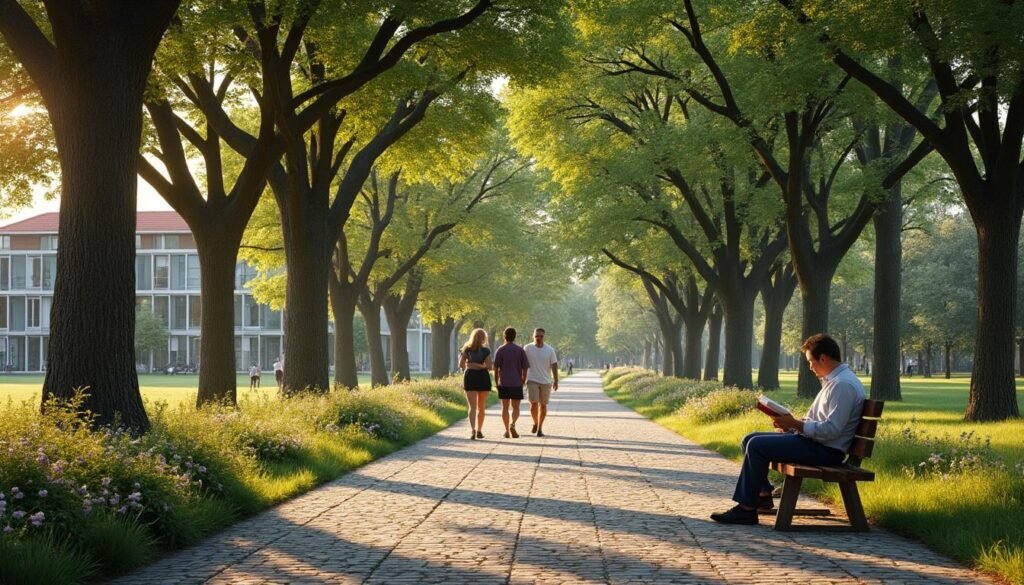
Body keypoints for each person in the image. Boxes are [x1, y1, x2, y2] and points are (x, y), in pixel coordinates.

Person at [710, 333, 865, 525]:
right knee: (749, 439)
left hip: (826, 451)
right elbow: (820, 423)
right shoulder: (835, 382)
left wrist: (794, 424)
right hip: (817, 444)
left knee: (757, 445)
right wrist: (793, 428)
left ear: (823, 358)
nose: (809, 367)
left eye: (810, 361)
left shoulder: (843, 385)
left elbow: (831, 430)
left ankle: (746, 509)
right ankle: (762, 494)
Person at [493, 327, 530, 439]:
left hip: (504, 382)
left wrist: (496, 381)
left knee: (505, 407)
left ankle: (506, 431)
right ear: (515, 337)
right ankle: (512, 424)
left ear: (504, 336)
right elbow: (525, 368)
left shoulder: (500, 350)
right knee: (516, 407)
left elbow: (496, 368)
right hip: (516, 382)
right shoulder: (520, 350)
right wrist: (523, 379)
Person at [459, 328, 493, 440]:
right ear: (484, 338)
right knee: (481, 406)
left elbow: (462, 365)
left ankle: (473, 430)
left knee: (472, 407)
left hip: (470, 377)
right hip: (483, 378)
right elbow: (489, 366)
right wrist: (480, 366)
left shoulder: (466, 349)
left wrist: (473, 365)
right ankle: (479, 430)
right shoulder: (486, 351)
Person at [524, 328, 558, 437]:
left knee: (543, 405)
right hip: (532, 379)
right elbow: (523, 363)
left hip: (545, 381)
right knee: (534, 402)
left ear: (544, 336)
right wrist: (522, 377)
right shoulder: (527, 348)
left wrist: (556, 380)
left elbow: (554, 365)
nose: (539, 338)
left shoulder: (549, 350)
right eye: (536, 336)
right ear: (533, 336)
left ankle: (540, 428)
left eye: (541, 336)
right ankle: (535, 422)